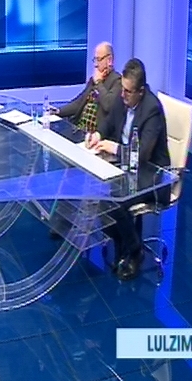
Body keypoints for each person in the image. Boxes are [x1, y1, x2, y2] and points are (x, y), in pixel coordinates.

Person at [87, 58, 170, 281]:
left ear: (140, 91)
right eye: (122, 90)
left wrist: (114, 148)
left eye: (128, 92)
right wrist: (98, 135)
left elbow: (142, 155)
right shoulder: (123, 98)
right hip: (125, 168)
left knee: (115, 199)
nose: (123, 95)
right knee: (97, 192)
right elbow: (108, 123)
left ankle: (134, 251)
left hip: (152, 175)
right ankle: (121, 240)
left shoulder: (152, 110)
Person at [51, 41, 121, 133]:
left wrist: (99, 83)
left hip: (96, 134)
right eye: (95, 60)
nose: (95, 65)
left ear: (109, 60)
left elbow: (108, 105)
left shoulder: (117, 81)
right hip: (79, 128)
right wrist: (58, 111)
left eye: (99, 59)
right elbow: (79, 102)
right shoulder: (94, 80)